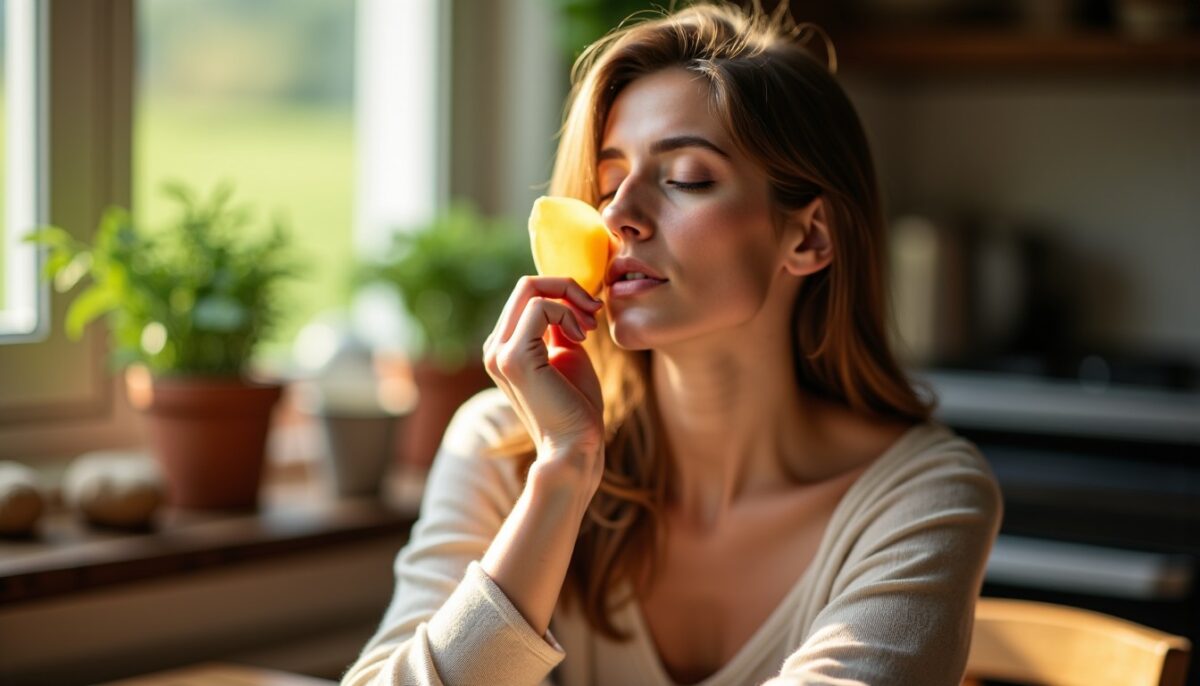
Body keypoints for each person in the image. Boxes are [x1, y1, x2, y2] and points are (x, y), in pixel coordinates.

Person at [342, 4, 1002, 685]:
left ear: (808, 237)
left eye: (686, 178)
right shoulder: (501, 450)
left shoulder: (924, 497)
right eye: (607, 184)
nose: (618, 215)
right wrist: (564, 475)